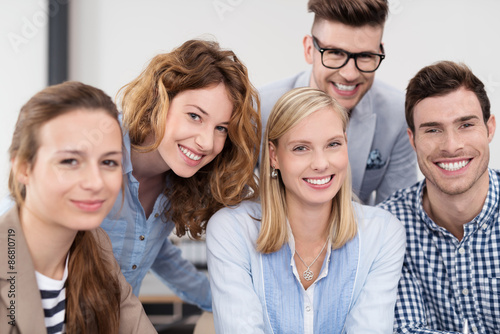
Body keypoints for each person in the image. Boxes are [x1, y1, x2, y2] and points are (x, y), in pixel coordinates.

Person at [207, 87, 405, 333]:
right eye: (301, 148)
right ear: (273, 156)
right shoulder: (232, 230)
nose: (321, 164)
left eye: (333, 144)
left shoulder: (382, 233)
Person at [100, 39, 261, 311]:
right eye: (195, 116)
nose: (207, 142)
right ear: (158, 100)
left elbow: (155, 252)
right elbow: (23, 216)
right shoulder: (98, 146)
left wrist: (233, 304)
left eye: (221, 128)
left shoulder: (178, 181)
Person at [0, 81, 156, 333]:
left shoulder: (98, 248)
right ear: (23, 168)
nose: (95, 182)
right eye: (70, 160)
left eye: (108, 162)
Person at [379, 61, 498, 333]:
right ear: (413, 139)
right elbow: (405, 330)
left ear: (490, 128)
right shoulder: (388, 226)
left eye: (465, 125)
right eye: (433, 130)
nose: (451, 146)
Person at [259, 0, 417, 204]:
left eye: (366, 56)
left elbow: (397, 211)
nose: (349, 74)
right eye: (335, 53)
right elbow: (237, 204)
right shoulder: (260, 109)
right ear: (309, 50)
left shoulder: (398, 113)